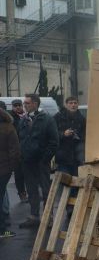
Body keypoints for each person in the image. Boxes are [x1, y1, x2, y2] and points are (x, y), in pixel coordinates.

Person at [17, 94, 58, 228]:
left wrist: (44, 159)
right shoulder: (23, 120)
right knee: (32, 190)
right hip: (27, 162)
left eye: (27, 103)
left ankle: (48, 218)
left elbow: (54, 142)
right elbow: (20, 139)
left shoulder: (47, 119)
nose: (24, 105)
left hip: (41, 162)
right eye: (24, 103)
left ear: (35, 103)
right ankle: (34, 216)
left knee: (46, 190)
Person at [0, 108, 21, 238]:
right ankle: (2, 230)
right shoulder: (8, 128)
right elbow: (15, 150)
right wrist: (13, 167)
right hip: (4, 169)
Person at [54, 96, 86, 177]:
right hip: (63, 156)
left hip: (77, 156)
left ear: (78, 104)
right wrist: (63, 134)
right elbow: (51, 134)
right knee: (64, 181)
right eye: (71, 103)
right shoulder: (58, 117)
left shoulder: (81, 119)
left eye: (75, 103)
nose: (73, 105)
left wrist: (78, 136)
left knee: (76, 181)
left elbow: (85, 135)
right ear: (66, 105)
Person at [9, 99, 28, 203]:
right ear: (12, 107)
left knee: (28, 173)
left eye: (19, 105)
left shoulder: (27, 116)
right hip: (17, 150)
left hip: (27, 149)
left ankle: (28, 192)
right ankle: (22, 193)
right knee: (19, 174)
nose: (17, 107)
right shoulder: (11, 118)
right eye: (15, 106)